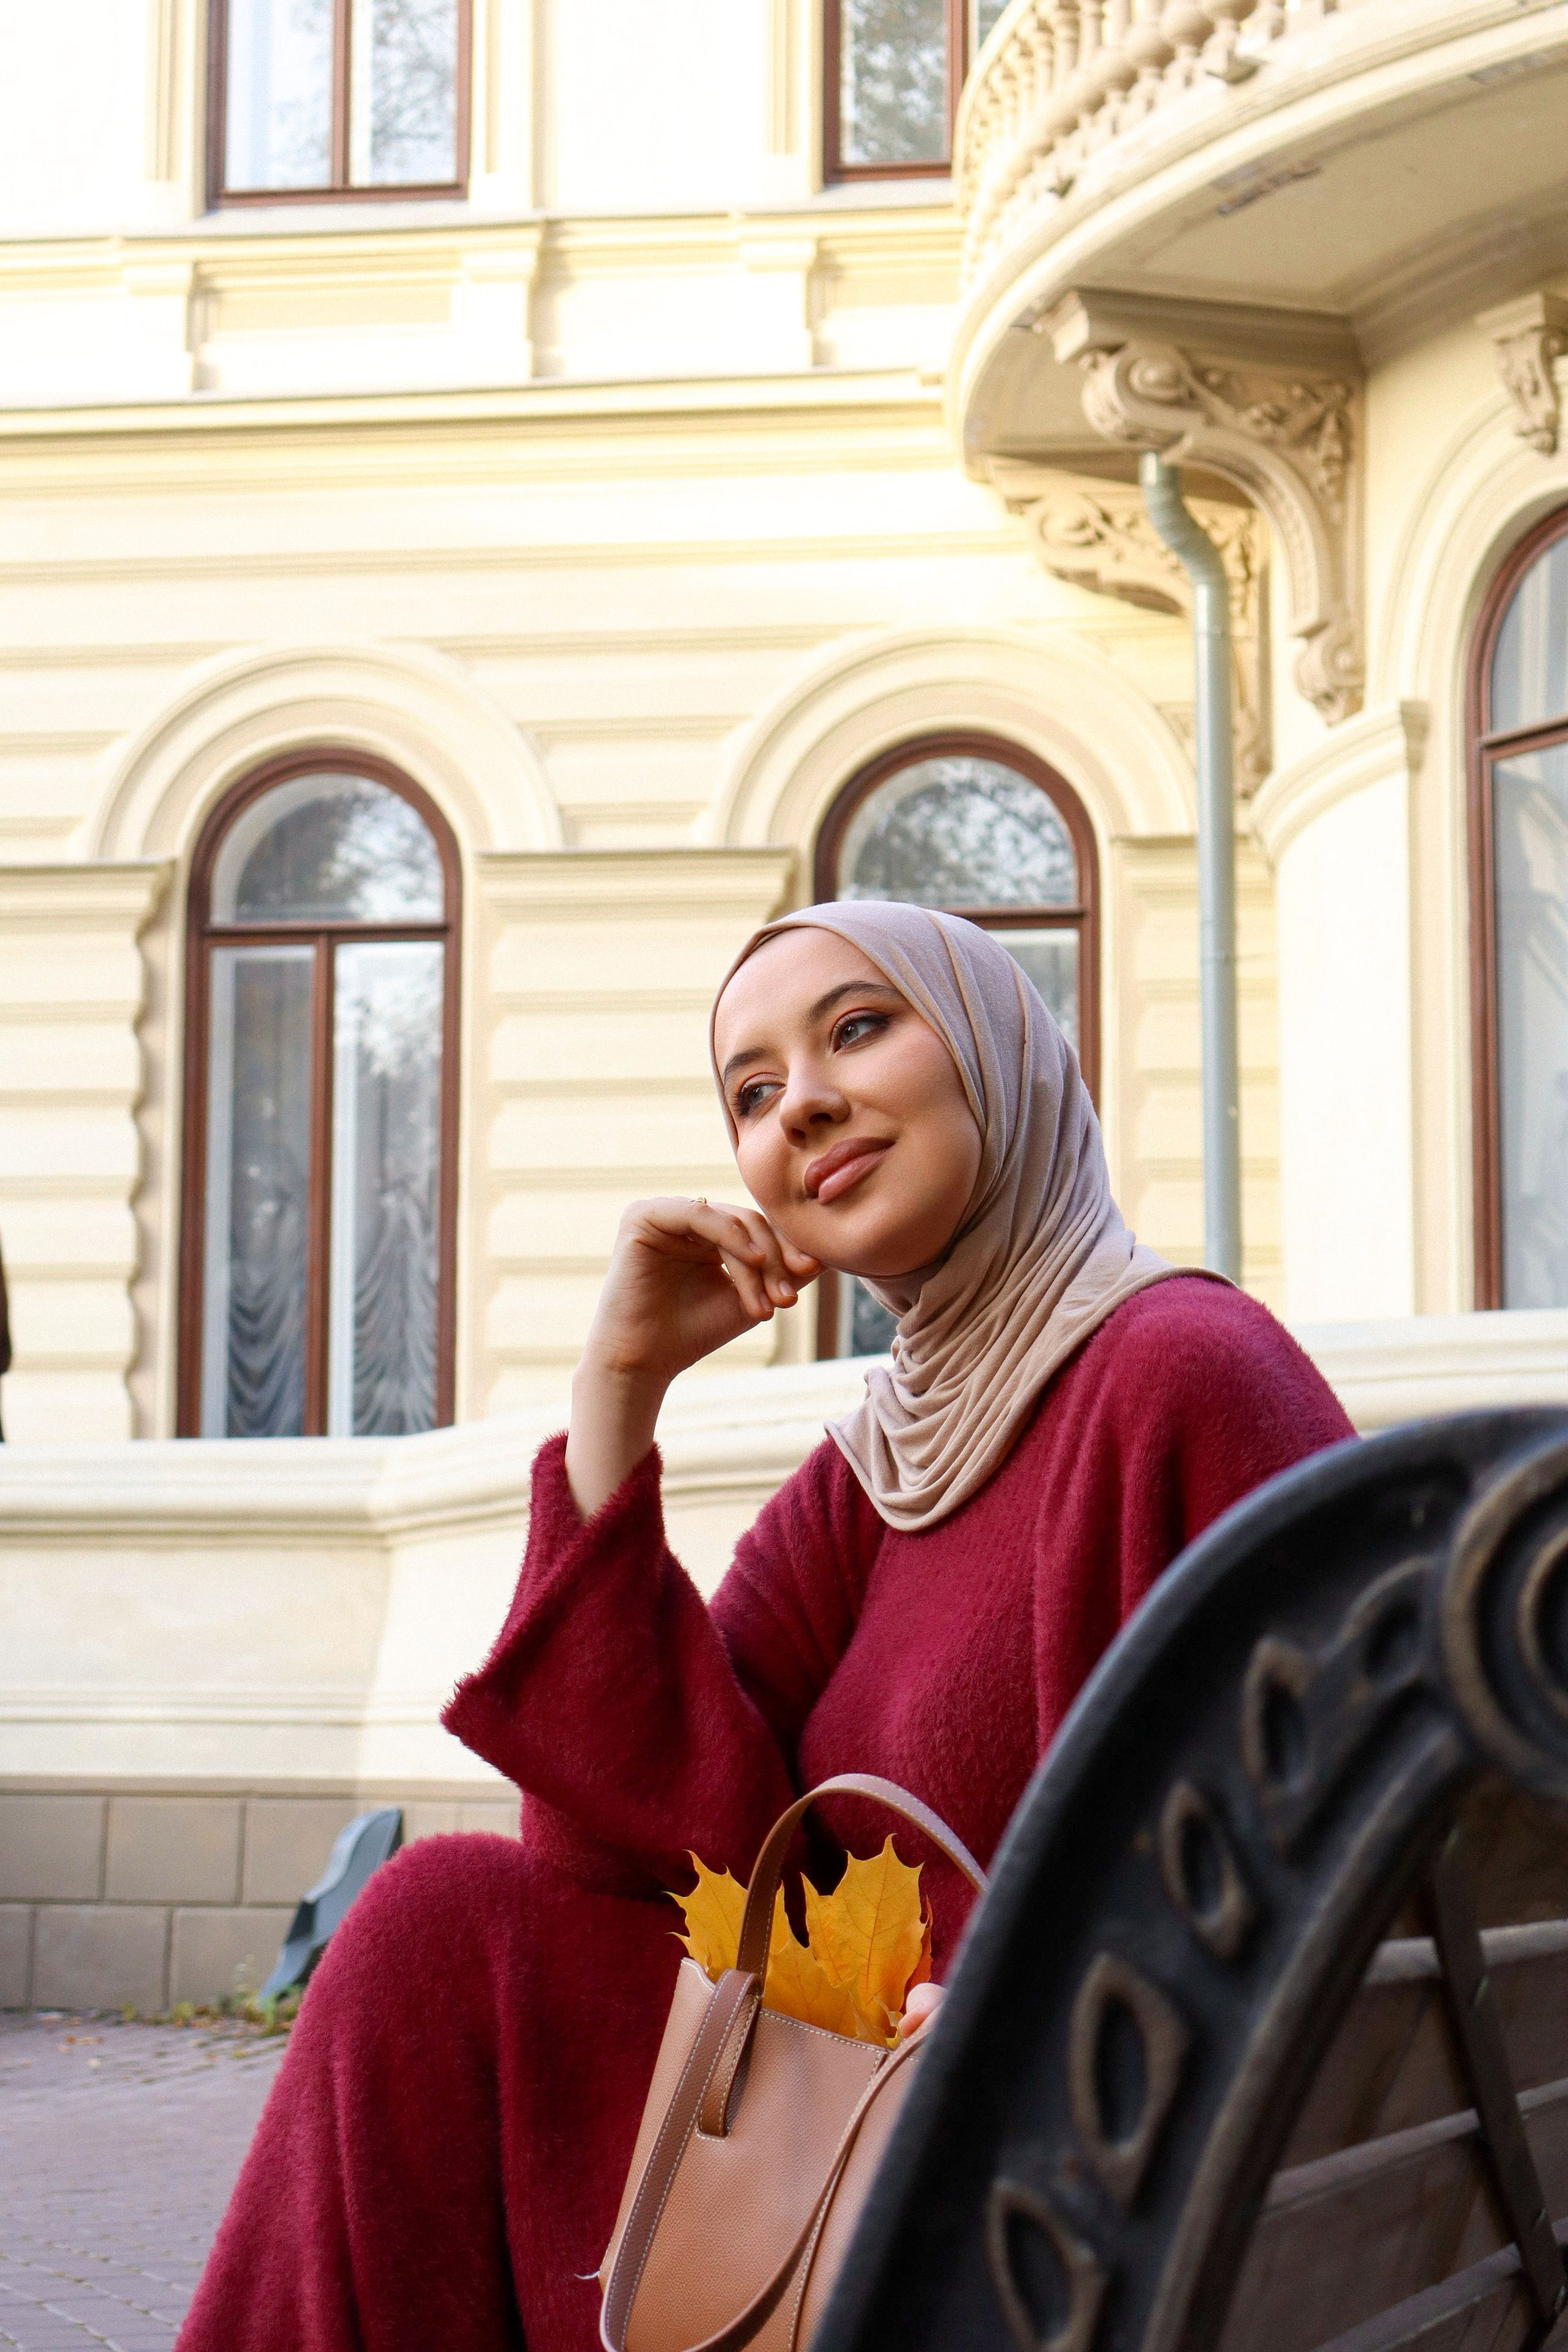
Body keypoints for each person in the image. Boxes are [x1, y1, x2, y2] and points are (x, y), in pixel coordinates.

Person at [177, 903, 1353, 2352]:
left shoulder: (1183, 1371)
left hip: (1060, 2178)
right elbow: (626, 1864)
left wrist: (1043, 2006)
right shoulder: (875, 1472)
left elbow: (1345, 1835)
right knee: (441, 1925)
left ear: (996, 1050)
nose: (797, 1102)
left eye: (857, 1028)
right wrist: (617, 1392)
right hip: (841, 2160)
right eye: (748, 1091)